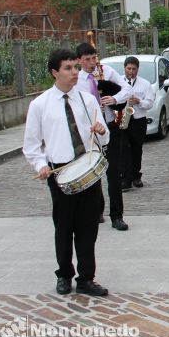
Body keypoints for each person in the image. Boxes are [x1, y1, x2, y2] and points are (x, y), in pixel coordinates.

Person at [23, 49, 110, 296]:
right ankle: (64, 274)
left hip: (88, 173)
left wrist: (101, 131)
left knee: (88, 228)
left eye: (75, 67)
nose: (74, 72)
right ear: (55, 72)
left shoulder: (88, 100)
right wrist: (41, 166)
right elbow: (31, 145)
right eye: (68, 68)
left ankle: (86, 278)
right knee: (64, 228)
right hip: (60, 174)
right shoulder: (40, 104)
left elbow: (104, 139)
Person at [75, 42, 132, 231]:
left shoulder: (106, 71)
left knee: (113, 173)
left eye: (94, 58)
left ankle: (117, 216)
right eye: (87, 60)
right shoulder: (77, 79)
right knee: (92, 173)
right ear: (79, 61)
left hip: (110, 127)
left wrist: (114, 99)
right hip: (89, 132)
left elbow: (127, 89)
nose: (92, 63)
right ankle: (96, 211)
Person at [120, 56, 155, 190]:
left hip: (138, 120)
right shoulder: (118, 82)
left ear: (138, 69)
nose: (131, 71)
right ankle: (125, 178)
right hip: (123, 119)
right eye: (129, 68)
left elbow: (150, 103)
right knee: (123, 149)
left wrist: (139, 102)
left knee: (136, 149)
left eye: (134, 69)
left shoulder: (145, 84)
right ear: (125, 68)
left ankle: (136, 176)